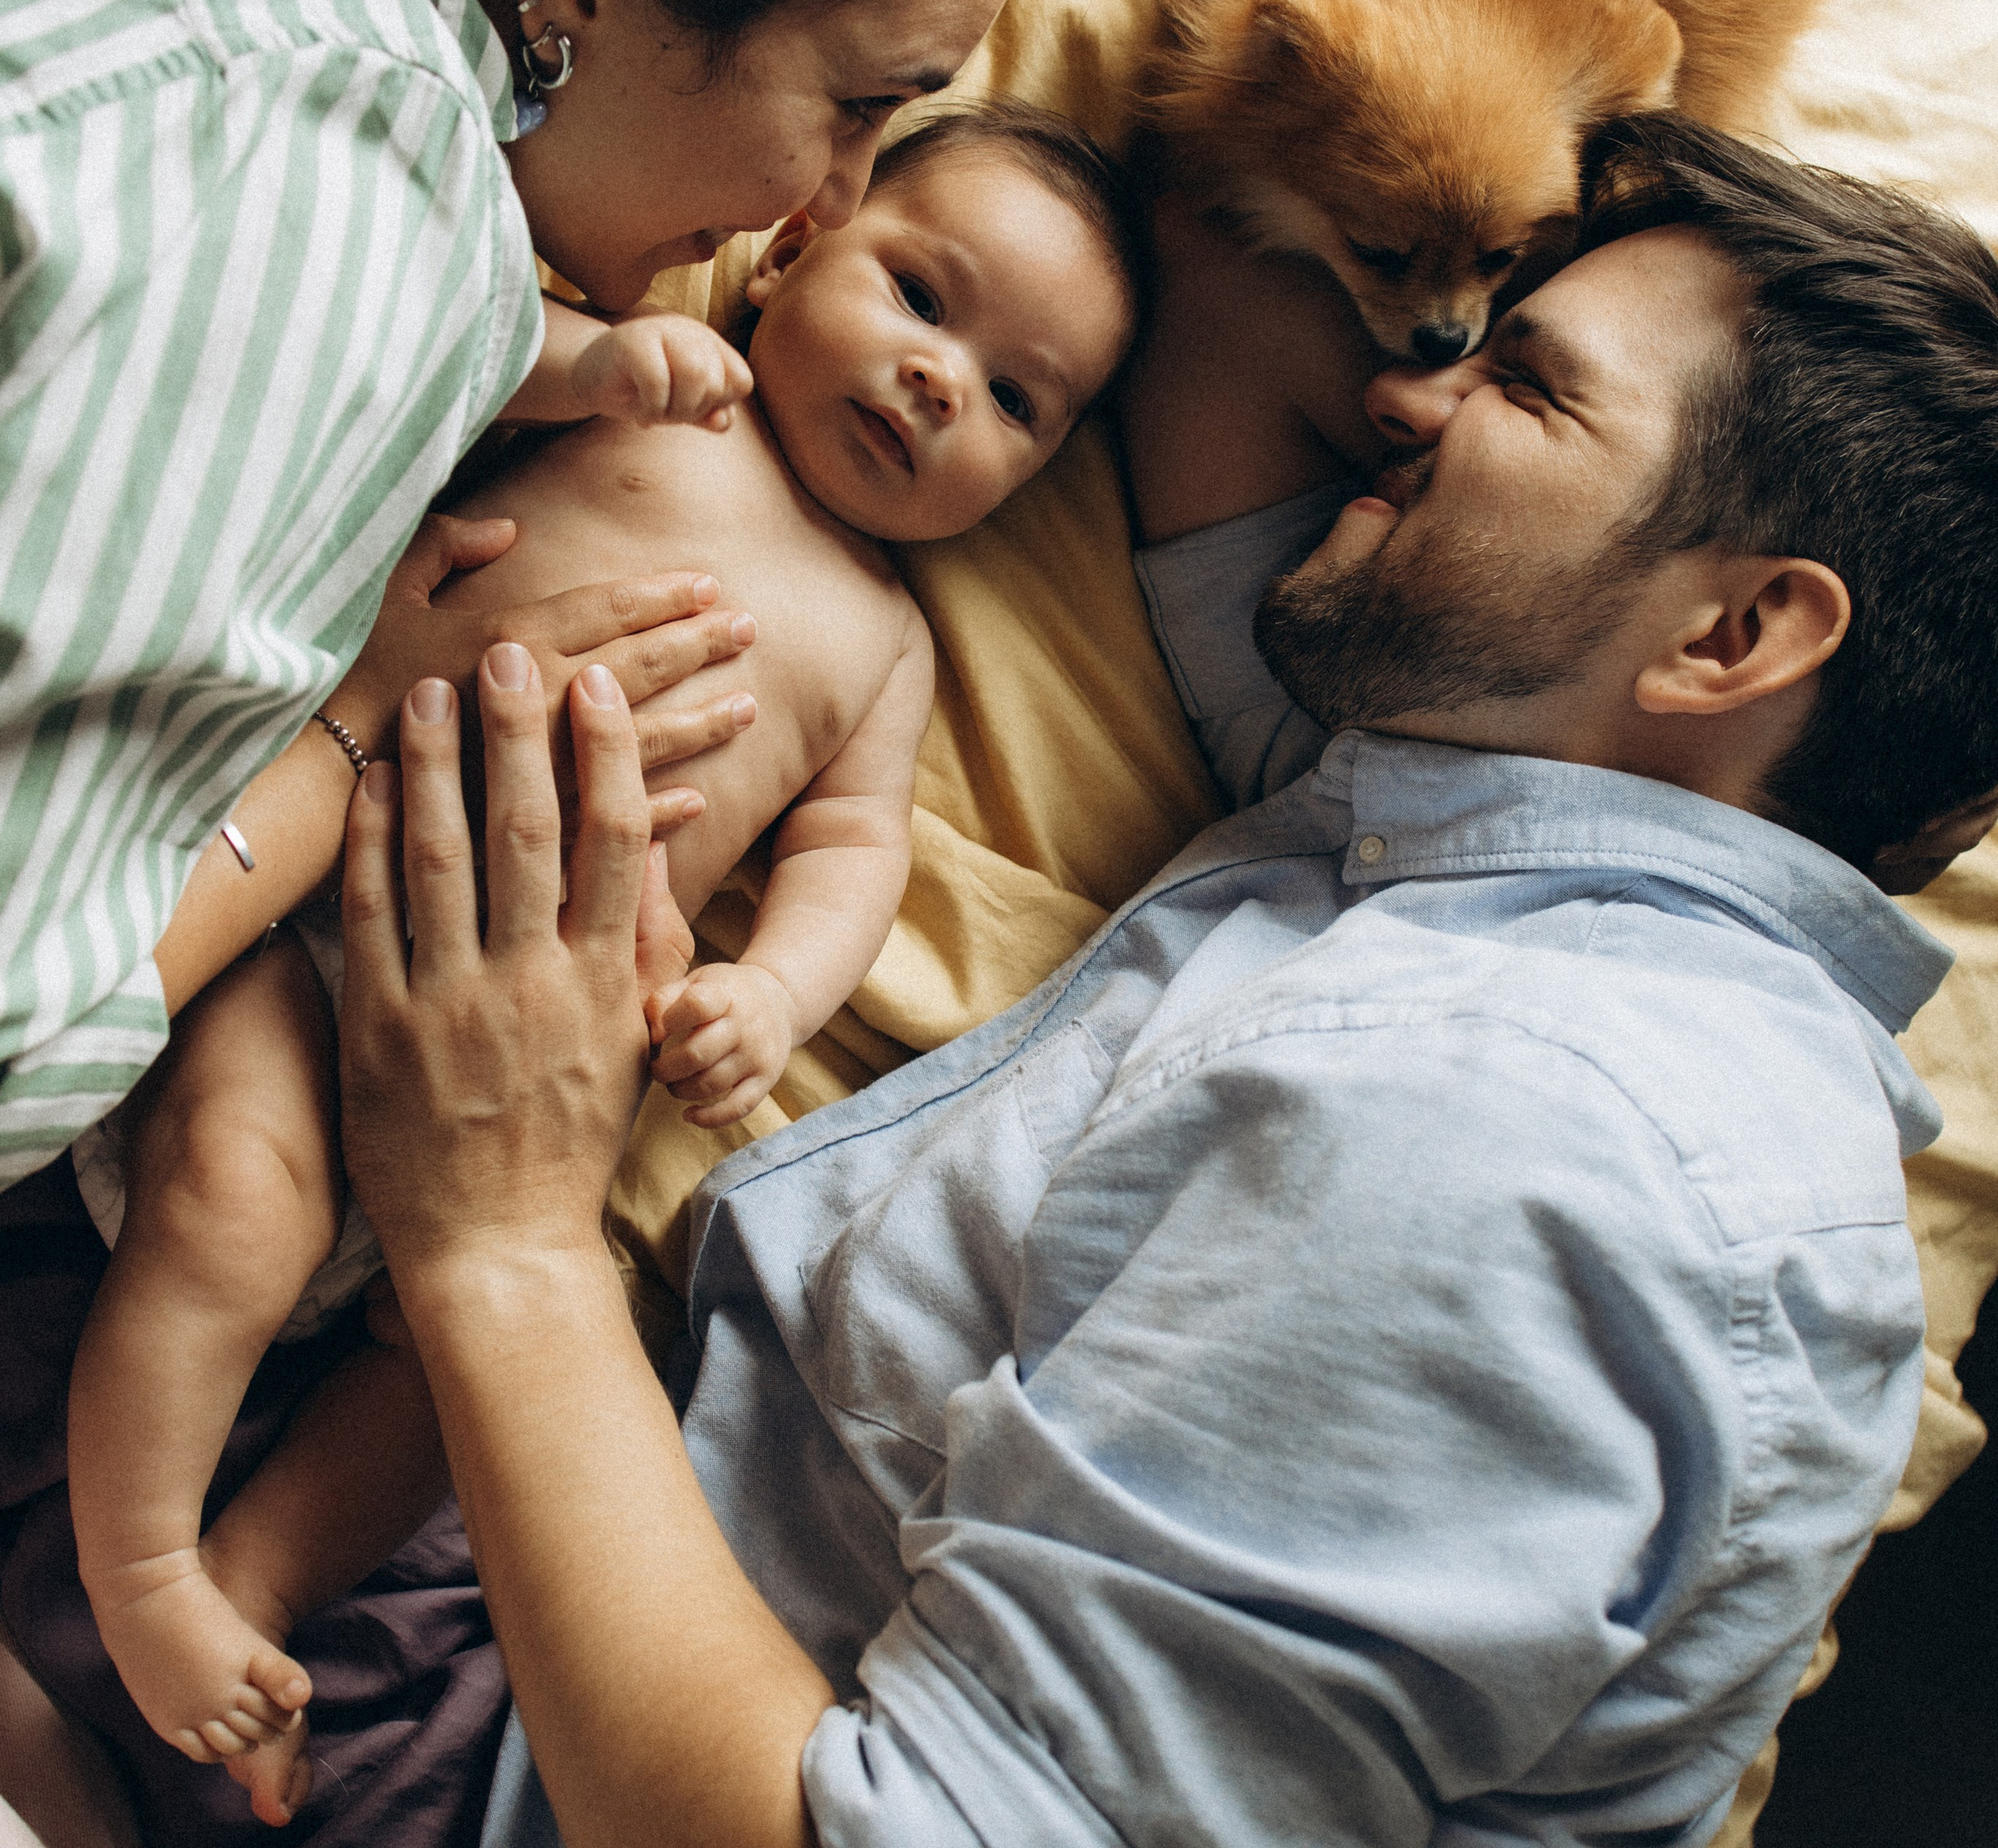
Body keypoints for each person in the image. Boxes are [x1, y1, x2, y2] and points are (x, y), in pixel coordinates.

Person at [292, 111, 1998, 1848]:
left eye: (1530, 389)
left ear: (1729, 637)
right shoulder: (1432, 846)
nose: (1403, 394)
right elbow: (1226, 250)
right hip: (491, 1581)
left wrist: (496, 1229)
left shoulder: (1522, 1131)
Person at [0, 0, 1047, 1836]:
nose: (817, 202)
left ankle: (235, 1593)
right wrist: (344, 726)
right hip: (280, 951)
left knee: (450, 1377)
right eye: (855, 109)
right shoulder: (403, 250)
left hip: (503, 1099)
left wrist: (755, 992)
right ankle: (141, 1572)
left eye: (1025, 403)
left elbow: (852, 860)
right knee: (239, 1201)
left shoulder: (879, 638)